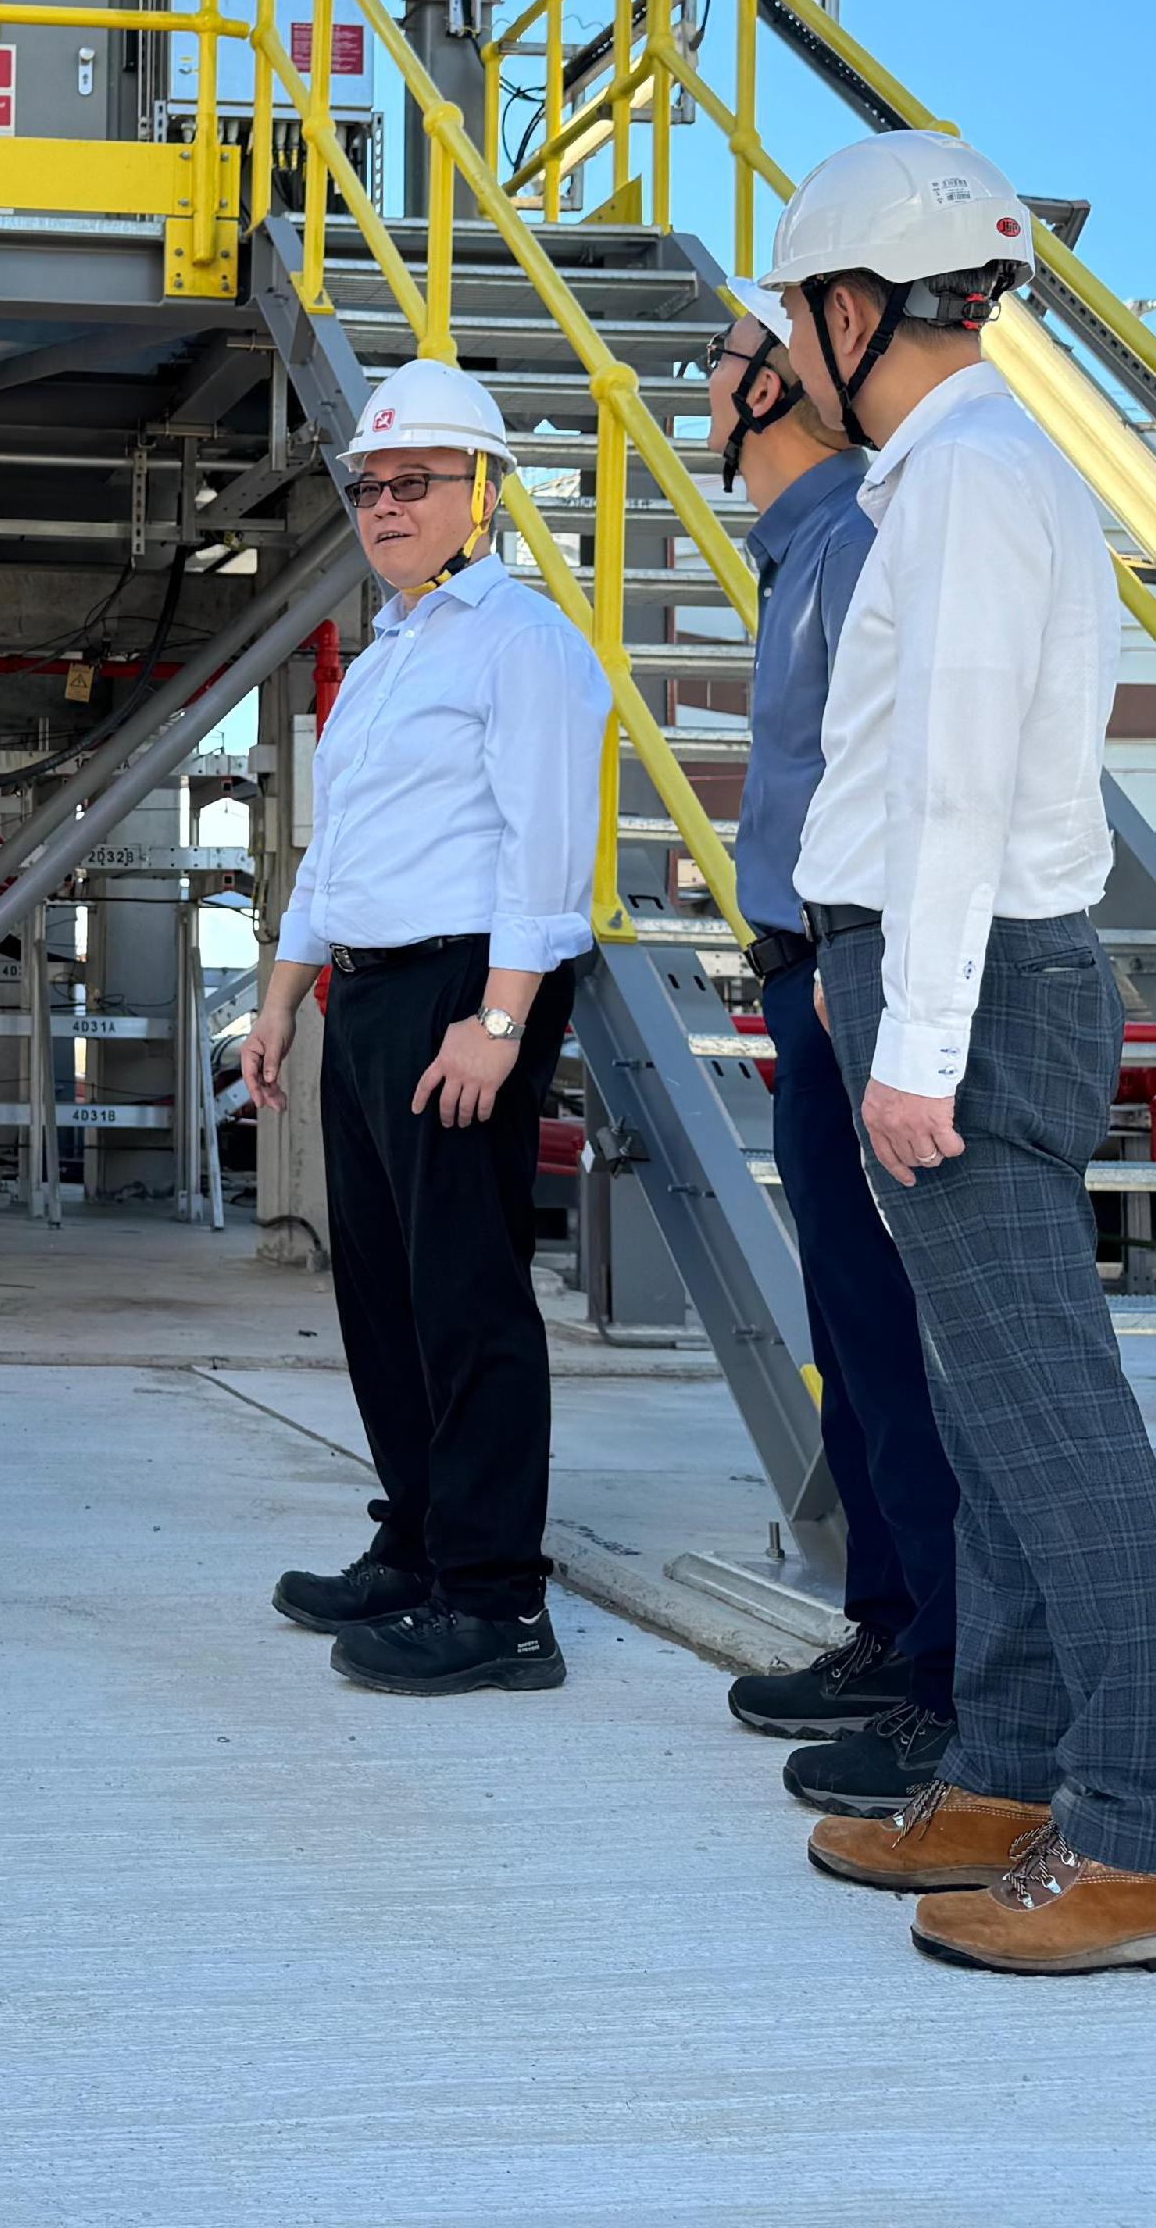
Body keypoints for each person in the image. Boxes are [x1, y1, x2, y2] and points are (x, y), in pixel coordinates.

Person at [771, 135, 1156, 1977]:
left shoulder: (959, 490)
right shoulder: (961, 473)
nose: (790, 353)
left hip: (968, 985)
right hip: (939, 972)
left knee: (1050, 1422)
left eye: (804, 318)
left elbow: (951, 785)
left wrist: (916, 1042)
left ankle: (1138, 1842)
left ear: (862, 306)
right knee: (986, 1403)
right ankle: (1021, 1772)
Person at [243, 358, 611, 1696]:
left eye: (416, 482)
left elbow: (548, 854)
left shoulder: (522, 642)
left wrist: (501, 1023)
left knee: (466, 1296)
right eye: (370, 486)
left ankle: (500, 1602)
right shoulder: (395, 650)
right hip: (376, 991)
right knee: (384, 1295)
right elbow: (336, 849)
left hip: (468, 988)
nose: (386, 505)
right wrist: (282, 997)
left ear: (484, 491)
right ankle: (417, 1541)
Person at [699, 284, 966, 1814]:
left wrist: (852, 975)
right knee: (850, 1341)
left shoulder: (858, 543)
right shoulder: (803, 553)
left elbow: (898, 782)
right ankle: (888, 1627)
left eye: (739, 354)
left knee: (893, 1339)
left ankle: (945, 1679)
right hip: (808, 974)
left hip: (845, 979)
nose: (724, 372)